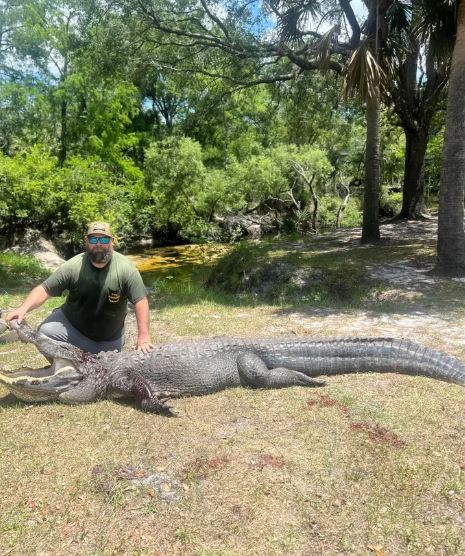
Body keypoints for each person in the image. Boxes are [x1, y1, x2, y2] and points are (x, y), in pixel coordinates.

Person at [5, 222, 154, 354]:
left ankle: (86, 361)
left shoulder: (125, 268)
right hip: (73, 330)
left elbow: (141, 300)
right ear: (86, 241)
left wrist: (143, 336)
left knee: (105, 373)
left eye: (103, 239)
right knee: (45, 333)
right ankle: (65, 369)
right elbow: (44, 289)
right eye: (93, 239)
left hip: (109, 341)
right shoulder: (74, 265)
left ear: (112, 242)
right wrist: (22, 308)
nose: (99, 243)